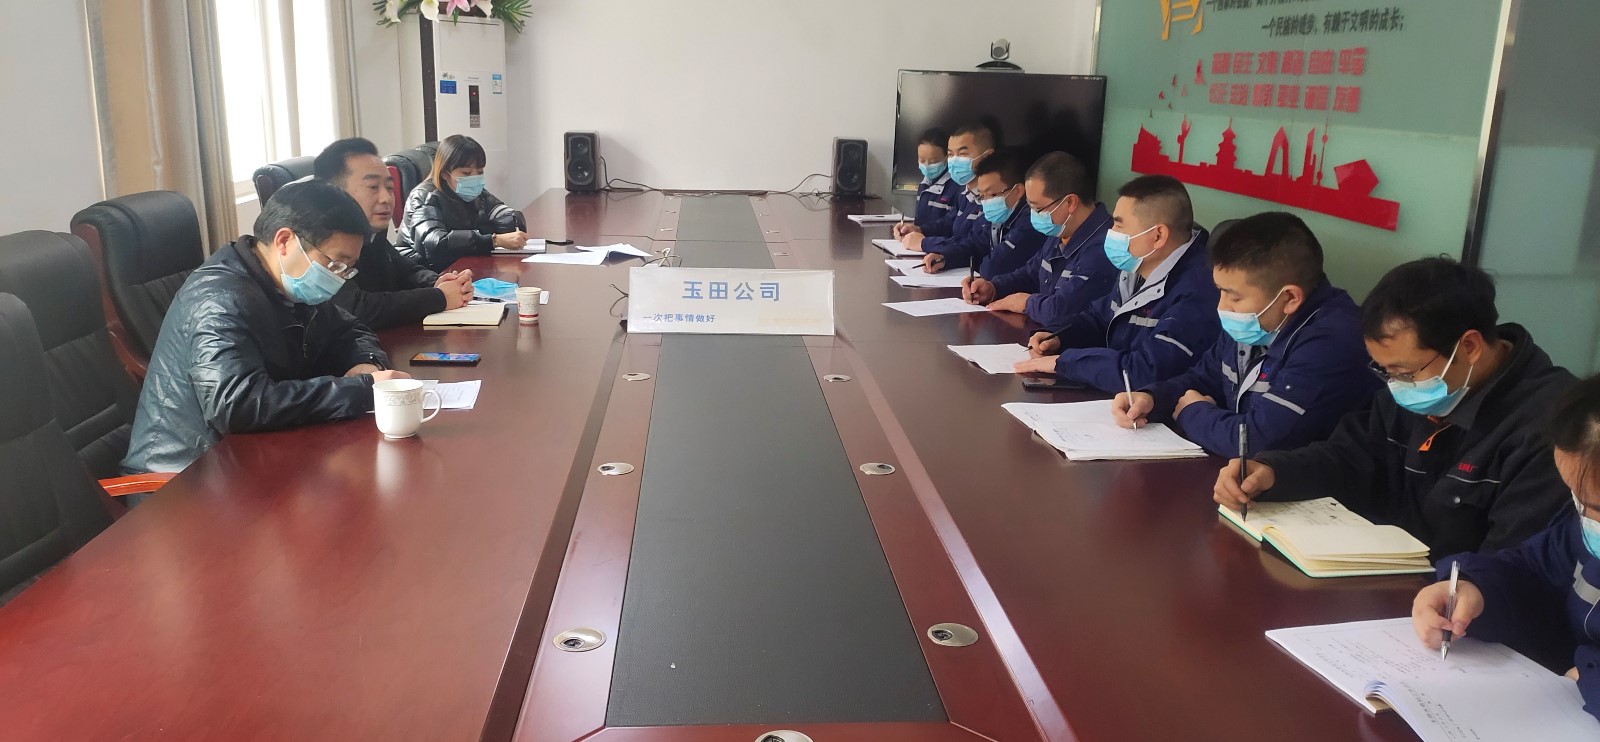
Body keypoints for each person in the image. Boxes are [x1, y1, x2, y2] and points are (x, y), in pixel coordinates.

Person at [1214, 257, 1577, 557]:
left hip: (1449, 604)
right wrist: (1272, 472)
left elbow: (1514, 565)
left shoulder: (1550, 428)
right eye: (1384, 370)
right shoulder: (1418, 384)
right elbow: (1350, 456)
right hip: (1380, 576)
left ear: (1469, 346)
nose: (1394, 384)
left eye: (1404, 372)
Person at [121, 180, 408, 474]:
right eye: (335, 264)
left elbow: (350, 329)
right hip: (188, 478)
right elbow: (236, 404)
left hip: (252, 457)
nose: (339, 277)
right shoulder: (220, 299)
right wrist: (361, 390)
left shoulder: (287, 283)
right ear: (284, 241)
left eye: (347, 269)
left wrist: (366, 363)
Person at [1410, 374, 1600, 720]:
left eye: (1595, 506)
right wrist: (1475, 589)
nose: (1584, 516)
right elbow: (1534, 568)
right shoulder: (1582, 523)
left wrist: (1589, 672)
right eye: (1575, 495)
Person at [1113, 212, 1381, 457]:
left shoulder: (1331, 343)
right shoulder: (1258, 321)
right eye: (1220, 291)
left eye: (1234, 297)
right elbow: (1204, 378)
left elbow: (1258, 441)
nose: (1222, 307)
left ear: (1289, 298)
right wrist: (1152, 398)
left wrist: (1193, 413)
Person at [1012, 175, 1219, 393]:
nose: (1110, 233)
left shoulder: (1199, 291)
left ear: (1158, 236)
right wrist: (1057, 336)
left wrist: (1066, 363)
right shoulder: (1138, 265)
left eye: (1119, 225)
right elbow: (1099, 318)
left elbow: (1145, 372)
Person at [314, 137, 474, 329]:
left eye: (389, 188)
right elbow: (355, 308)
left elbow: (406, 271)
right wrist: (439, 297)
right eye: (373, 187)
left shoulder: (372, 232)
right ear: (334, 193)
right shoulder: (321, 242)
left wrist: (439, 282)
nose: (386, 198)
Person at [962, 151, 1117, 327]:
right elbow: (1031, 274)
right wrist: (992, 288)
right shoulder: (1061, 230)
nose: (1033, 215)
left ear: (1070, 203)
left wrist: (1027, 303)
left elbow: (1063, 311)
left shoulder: (1103, 248)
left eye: (1038, 209)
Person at [396, 134, 528, 272]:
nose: (474, 178)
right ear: (444, 173)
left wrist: (479, 235)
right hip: (422, 272)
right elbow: (435, 244)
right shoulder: (424, 196)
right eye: (466, 173)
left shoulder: (475, 192)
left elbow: (509, 217)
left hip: (460, 265)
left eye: (480, 172)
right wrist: (493, 240)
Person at [894, 123, 995, 272]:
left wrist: (924, 243)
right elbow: (948, 223)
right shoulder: (964, 192)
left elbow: (973, 244)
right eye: (951, 154)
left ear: (987, 156)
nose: (954, 161)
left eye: (962, 154)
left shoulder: (993, 200)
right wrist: (919, 229)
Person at [905, 127, 959, 234]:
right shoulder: (924, 184)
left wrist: (921, 232)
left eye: (933, 161)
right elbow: (919, 222)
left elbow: (950, 225)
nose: (927, 165)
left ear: (947, 157)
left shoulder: (956, 187)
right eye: (922, 160)